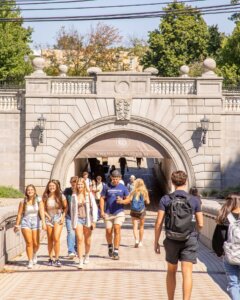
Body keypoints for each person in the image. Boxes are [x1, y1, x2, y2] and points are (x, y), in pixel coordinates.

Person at [154, 171, 203, 300]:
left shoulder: (166, 199)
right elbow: (201, 223)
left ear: (172, 182)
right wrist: (195, 233)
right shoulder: (194, 200)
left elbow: (159, 222)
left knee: (171, 271)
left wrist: (156, 242)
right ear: (186, 182)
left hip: (171, 238)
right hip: (189, 238)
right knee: (187, 272)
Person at [212, 193, 240, 300]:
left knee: (233, 283)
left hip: (230, 255)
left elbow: (218, 237)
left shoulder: (225, 217)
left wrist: (219, 252)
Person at [14, 184, 46, 269]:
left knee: (36, 243)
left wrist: (43, 223)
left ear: (34, 191)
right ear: (26, 192)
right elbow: (20, 214)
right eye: (28, 190)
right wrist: (17, 224)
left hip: (36, 221)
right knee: (29, 243)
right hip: (26, 222)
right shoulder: (23, 202)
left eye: (31, 189)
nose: (30, 191)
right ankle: (30, 260)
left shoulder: (39, 200)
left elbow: (42, 212)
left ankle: (34, 253)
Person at [100, 170, 129, 260]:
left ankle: (116, 251)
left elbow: (128, 199)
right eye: (114, 179)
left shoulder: (123, 187)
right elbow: (102, 198)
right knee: (108, 231)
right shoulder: (106, 187)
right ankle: (110, 246)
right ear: (111, 178)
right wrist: (102, 211)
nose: (115, 180)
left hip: (119, 212)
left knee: (117, 229)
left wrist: (122, 201)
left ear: (120, 178)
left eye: (117, 179)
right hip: (108, 212)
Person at [71, 178, 98, 269]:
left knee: (88, 240)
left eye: (81, 184)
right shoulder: (74, 196)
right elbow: (72, 210)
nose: (79, 186)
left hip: (88, 219)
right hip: (78, 219)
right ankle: (80, 260)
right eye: (78, 184)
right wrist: (73, 223)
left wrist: (94, 221)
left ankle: (87, 254)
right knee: (79, 239)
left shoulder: (89, 195)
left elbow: (94, 208)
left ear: (84, 185)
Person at [117, 178, 150, 248]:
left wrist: (122, 201)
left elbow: (128, 200)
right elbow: (148, 202)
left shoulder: (133, 192)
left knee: (135, 226)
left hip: (133, 211)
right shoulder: (145, 192)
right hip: (142, 211)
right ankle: (141, 242)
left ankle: (136, 240)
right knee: (141, 226)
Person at [43, 179, 68, 267]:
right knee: (50, 239)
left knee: (56, 238)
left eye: (53, 186)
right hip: (49, 218)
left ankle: (57, 259)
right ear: (48, 187)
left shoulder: (61, 196)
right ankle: (50, 258)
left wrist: (63, 217)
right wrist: (47, 216)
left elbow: (65, 207)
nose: (52, 187)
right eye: (50, 186)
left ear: (56, 187)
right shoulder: (46, 196)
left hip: (58, 218)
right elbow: (43, 209)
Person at [63, 176, 78, 259]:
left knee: (77, 234)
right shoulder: (67, 191)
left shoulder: (80, 191)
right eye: (72, 181)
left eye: (75, 181)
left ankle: (76, 249)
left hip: (78, 216)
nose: (74, 183)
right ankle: (71, 251)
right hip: (69, 215)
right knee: (70, 232)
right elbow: (62, 200)